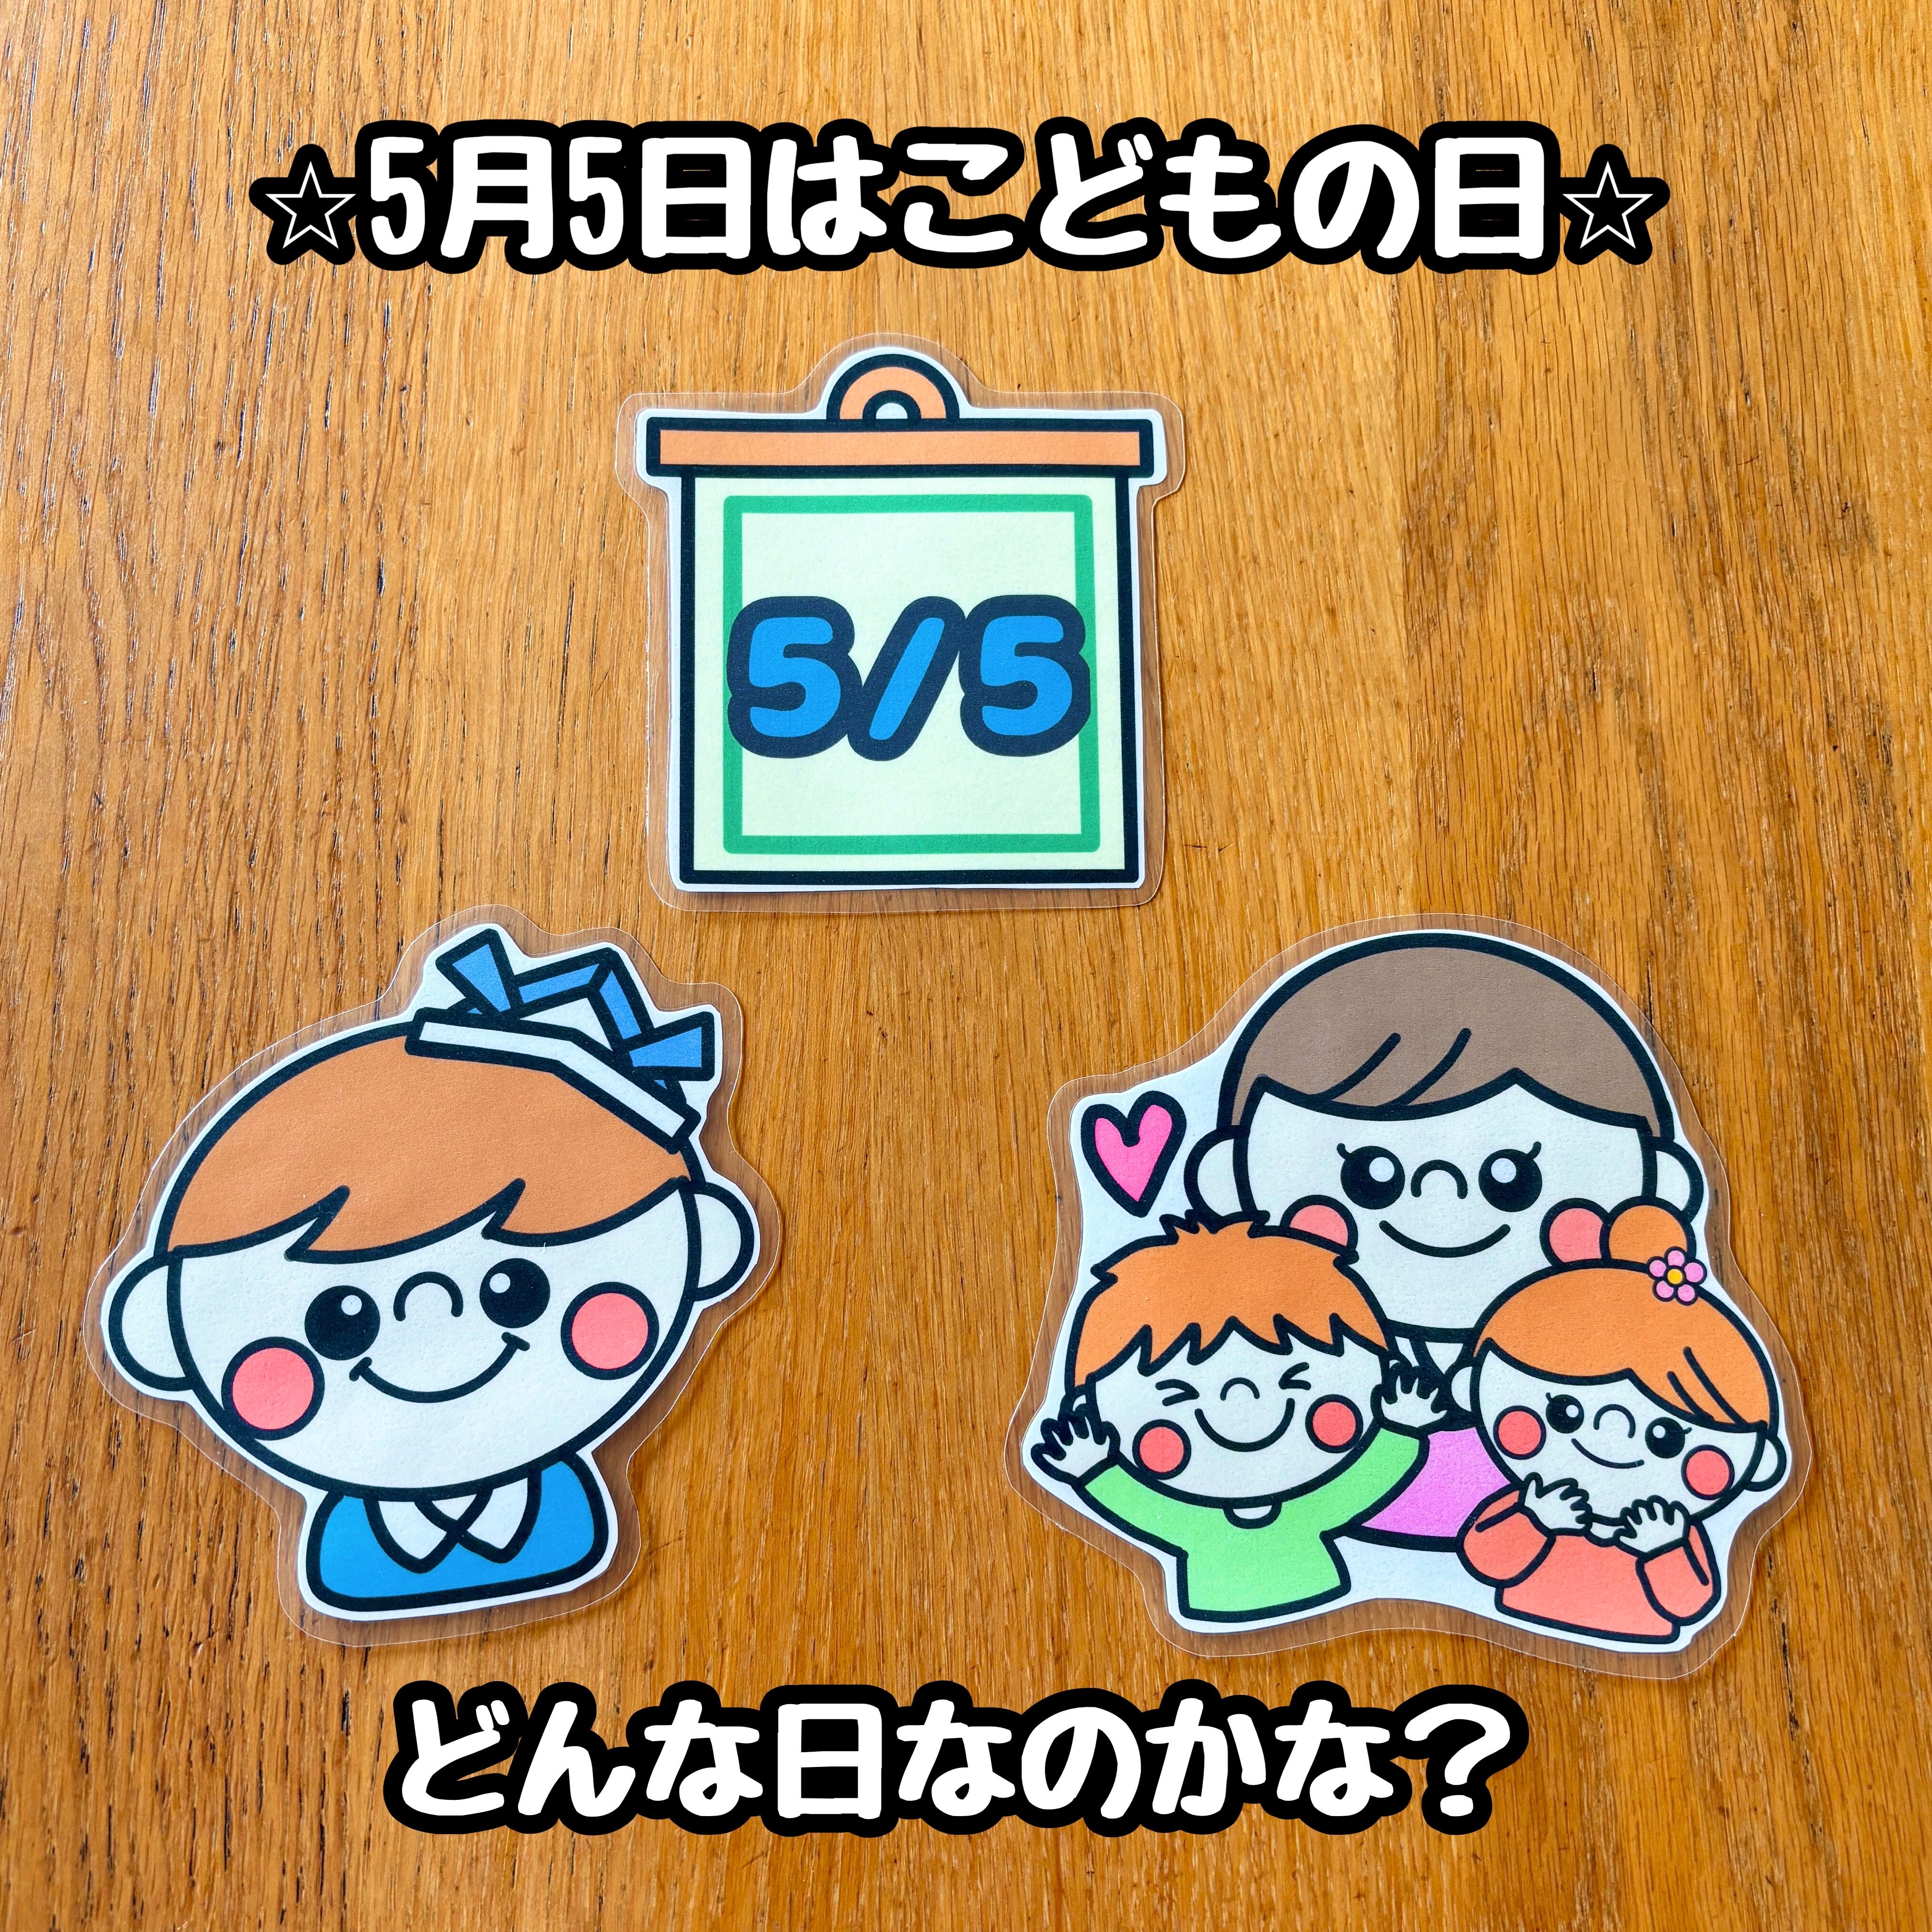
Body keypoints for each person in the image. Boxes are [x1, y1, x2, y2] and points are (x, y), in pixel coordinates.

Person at [103, 928, 755, 1620]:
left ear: (703, 1246)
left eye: (515, 1291)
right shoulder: (348, 1538)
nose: (433, 1317)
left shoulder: (565, 1500)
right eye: (342, 1319)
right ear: (161, 1326)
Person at [1188, 930, 1711, 1547]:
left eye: (1511, 1180)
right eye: (1370, 1178)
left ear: (1657, 1185)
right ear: (1229, 1176)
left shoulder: (1614, 1374)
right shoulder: (1296, 1361)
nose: (1442, 1202)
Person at [1032, 1213, 1447, 1622]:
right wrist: (1093, 1470)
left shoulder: (1304, 1509)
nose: (1243, 1408)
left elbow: (1362, 1485)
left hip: (1326, 1602)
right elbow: (1141, 1507)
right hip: (1216, 1605)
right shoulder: (1193, 1523)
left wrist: (1399, 1428)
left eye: (1299, 1387)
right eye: (1179, 1400)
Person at [1455, 1201, 1787, 1643]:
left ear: (1757, 1460)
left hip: (1642, 1634)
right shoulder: (1534, 1500)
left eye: (1665, 1438)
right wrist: (1534, 1518)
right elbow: (1485, 1558)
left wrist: (1664, 1548)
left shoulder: (1670, 1528)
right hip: (1510, 1629)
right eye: (1564, 1413)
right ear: (1471, 1386)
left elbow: (1690, 1603)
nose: (1611, 1435)